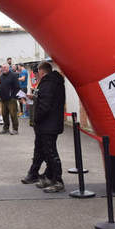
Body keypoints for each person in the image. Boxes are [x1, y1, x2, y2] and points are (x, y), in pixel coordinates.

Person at [31, 61, 66, 193]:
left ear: (41, 71)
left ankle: (58, 181)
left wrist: (36, 118)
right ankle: (50, 177)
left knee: (51, 153)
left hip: (48, 124)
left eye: (38, 71)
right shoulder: (54, 82)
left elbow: (44, 105)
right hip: (51, 122)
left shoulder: (48, 83)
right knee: (48, 152)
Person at [0, 64, 20, 135]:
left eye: (5, 67)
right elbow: (0, 86)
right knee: (4, 114)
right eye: (2, 68)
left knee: (13, 114)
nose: (3, 69)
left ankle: (15, 129)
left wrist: (14, 97)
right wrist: (0, 96)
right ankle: (6, 128)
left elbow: (17, 87)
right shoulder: (1, 76)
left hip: (11, 99)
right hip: (3, 98)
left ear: (8, 68)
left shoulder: (13, 75)